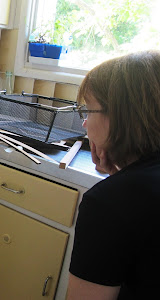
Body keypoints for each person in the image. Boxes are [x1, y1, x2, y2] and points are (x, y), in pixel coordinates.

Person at [67, 50, 160, 299]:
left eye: (88, 110)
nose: (84, 123)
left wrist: (116, 187)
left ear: (120, 117)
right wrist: (119, 176)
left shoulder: (107, 204)